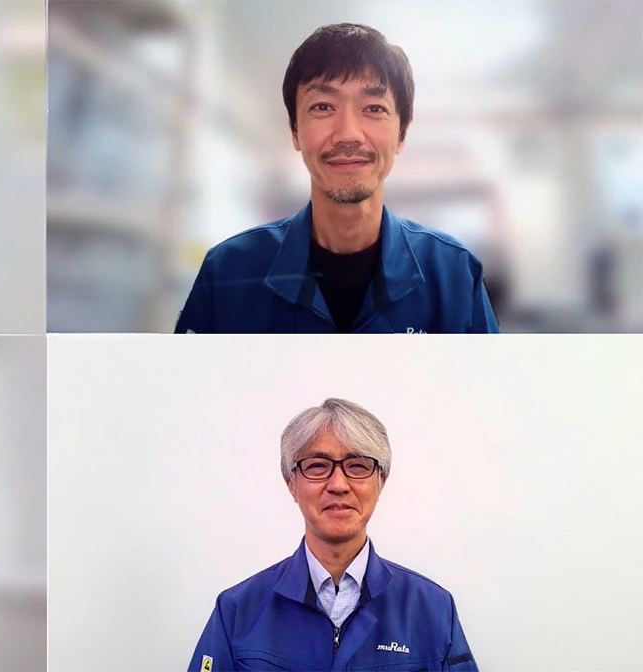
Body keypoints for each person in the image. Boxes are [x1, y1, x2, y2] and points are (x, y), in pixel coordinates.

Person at [176, 24, 498, 333]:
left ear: (401, 133)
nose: (348, 134)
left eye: (373, 108)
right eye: (323, 106)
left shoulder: (453, 276)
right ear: (295, 130)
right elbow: (179, 386)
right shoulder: (227, 275)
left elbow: (493, 387)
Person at [188, 398, 477, 671]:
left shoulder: (433, 609)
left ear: (381, 481)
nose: (338, 484)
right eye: (317, 466)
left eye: (357, 466)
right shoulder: (237, 611)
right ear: (291, 483)